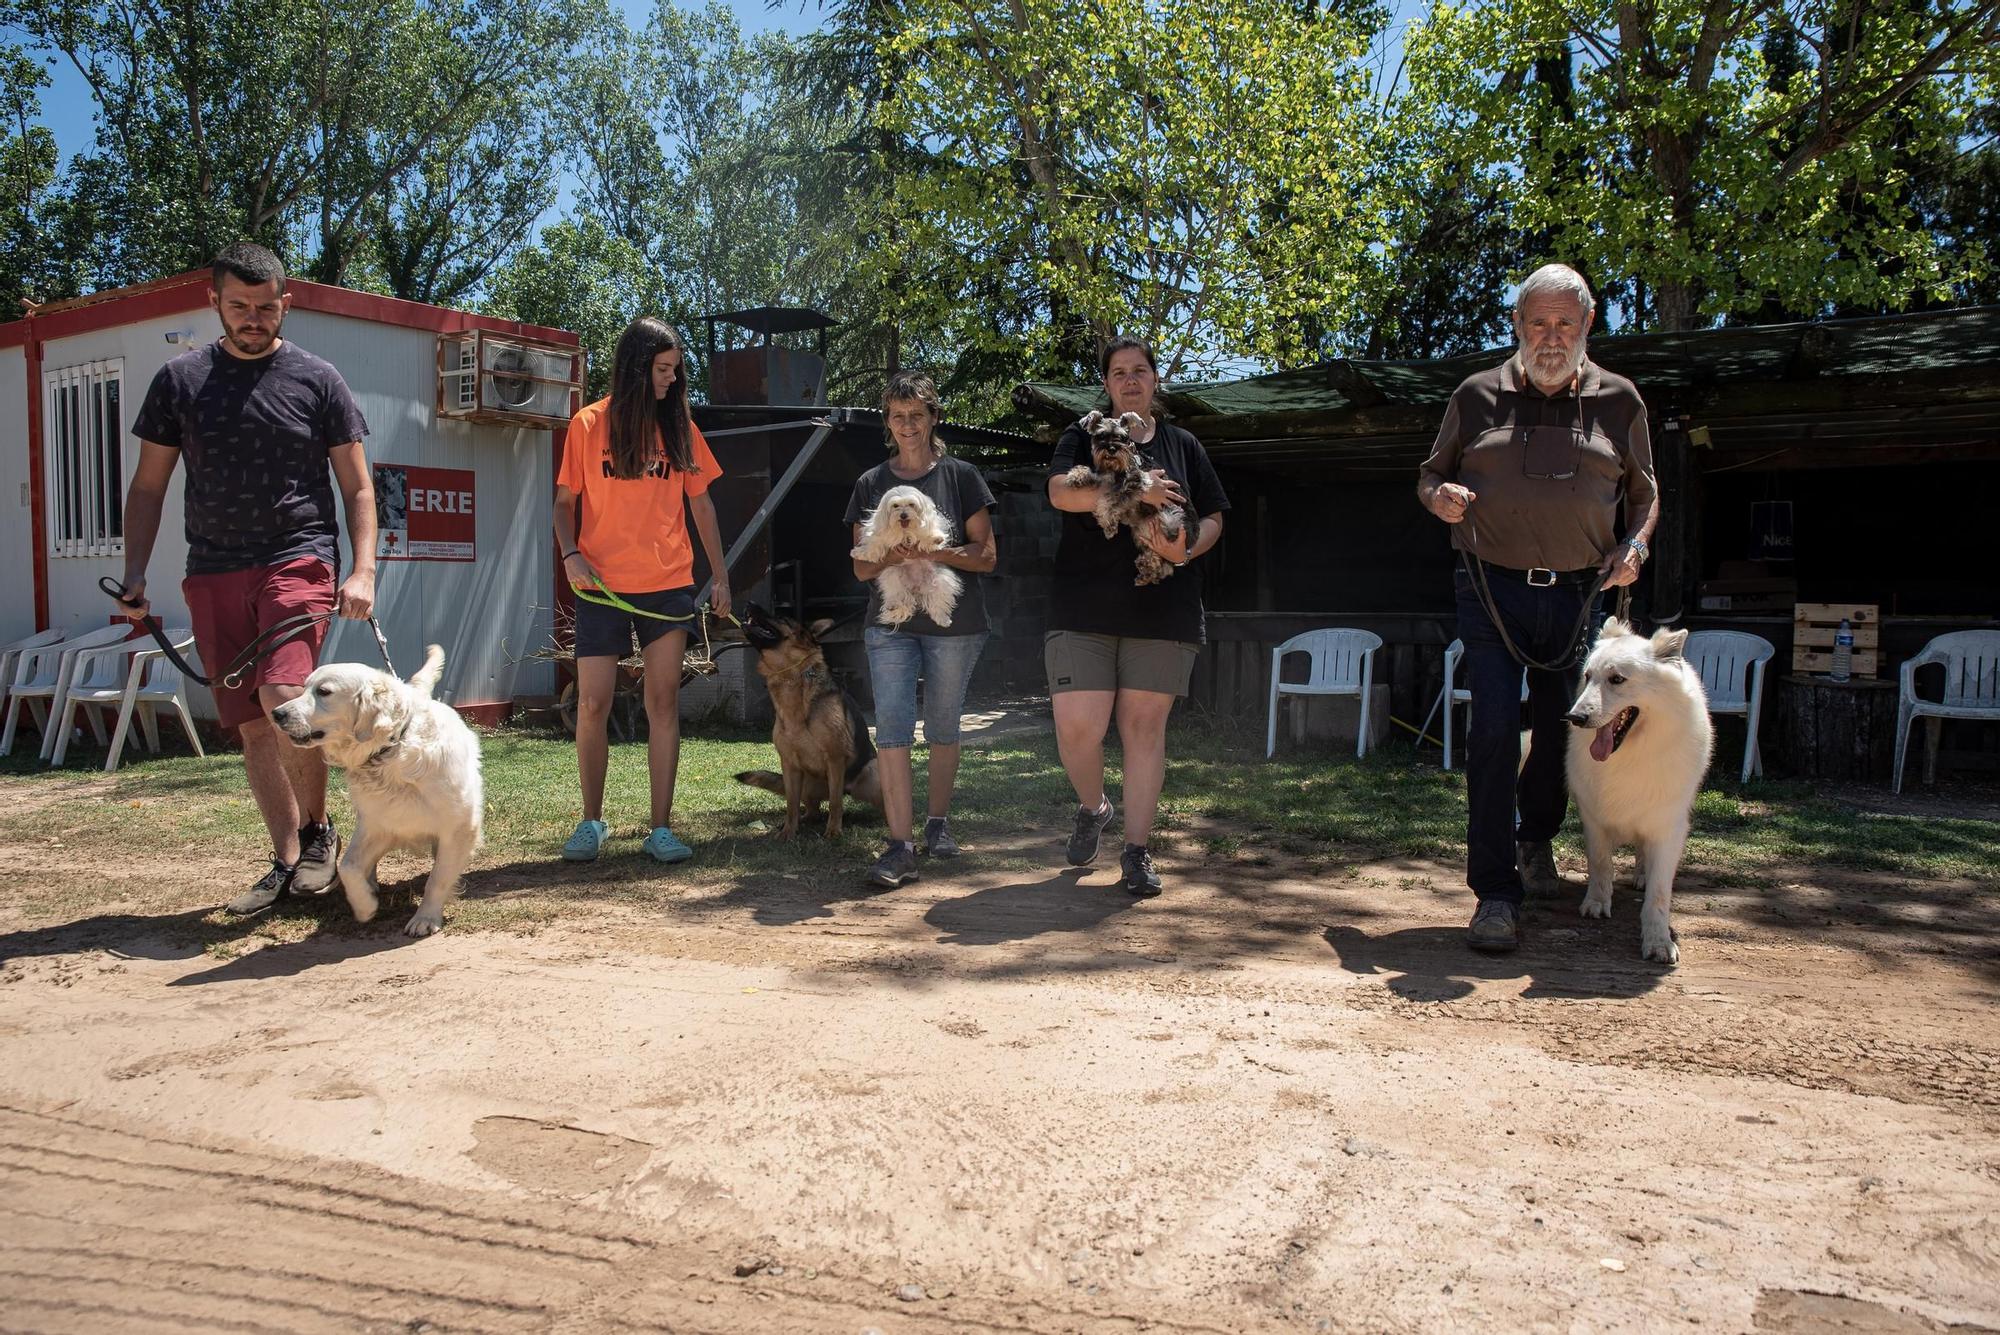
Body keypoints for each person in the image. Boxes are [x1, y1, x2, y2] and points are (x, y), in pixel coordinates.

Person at [113, 241, 376, 916]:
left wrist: (363, 567)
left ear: (285, 304)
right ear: (215, 304)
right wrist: (134, 572)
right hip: (213, 569)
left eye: (266, 307)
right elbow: (148, 486)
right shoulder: (181, 381)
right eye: (239, 307)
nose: (254, 319)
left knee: (285, 694)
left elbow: (359, 488)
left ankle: (318, 835)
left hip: (298, 557)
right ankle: (288, 858)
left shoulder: (319, 380)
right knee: (253, 726)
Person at [1416, 262, 1659, 953]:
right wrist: (1438, 498)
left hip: (1581, 593)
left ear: (1587, 326)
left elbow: (1644, 496)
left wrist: (1636, 544)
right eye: (1537, 322)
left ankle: (1536, 838)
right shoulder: (1476, 395)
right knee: (1493, 728)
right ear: (1517, 326)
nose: (1550, 336)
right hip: (1490, 589)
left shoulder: (1621, 401)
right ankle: (1495, 892)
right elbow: (1432, 474)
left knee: (1563, 733)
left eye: (1564, 323)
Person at [1045, 337, 1229, 897]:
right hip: (1083, 606)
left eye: (1140, 371)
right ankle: (1093, 806)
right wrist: (1134, 486)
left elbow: (1215, 516)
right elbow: (1059, 494)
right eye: (1119, 372)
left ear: (1154, 381)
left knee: (1143, 730)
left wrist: (1186, 550)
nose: (1130, 379)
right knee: (1078, 730)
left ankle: (1136, 851)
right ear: (1106, 384)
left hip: (1163, 609)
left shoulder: (1184, 444)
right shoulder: (1083, 435)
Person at [553, 317, 732, 863]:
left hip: (667, 586)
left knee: (663, 704)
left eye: (676, 371)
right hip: (600, 587)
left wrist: (720, 575)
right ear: (635, 368)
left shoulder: (681, 428)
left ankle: (661, 828)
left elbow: (701, 504)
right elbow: (563, 506)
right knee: (591, 703)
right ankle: (591, 823)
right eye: (662, 370)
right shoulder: (587, 425)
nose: (671, 381)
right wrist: (571, 555)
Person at [845, 371, 998, 888]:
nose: (907, 424)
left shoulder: (962, 476)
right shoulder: (870, 483)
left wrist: (932, 552)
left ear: (933, 417)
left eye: (916, 414)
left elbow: (986, 556)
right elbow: (862, 567)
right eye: (897, 416)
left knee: (942, 726)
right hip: (889, 625)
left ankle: (937, 824)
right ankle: (899, 845)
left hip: (954, 624)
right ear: (888, 423)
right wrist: (891, 551)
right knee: (891, 730)